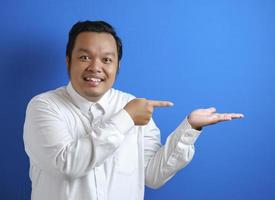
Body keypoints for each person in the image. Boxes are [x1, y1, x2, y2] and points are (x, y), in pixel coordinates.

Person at [23, 20, 244, 200]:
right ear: (68, 61)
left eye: (107, 59)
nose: (95, 67)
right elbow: (66, 165)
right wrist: (126, 118)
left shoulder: (134, 105)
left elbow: (153, 175)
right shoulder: (44, 106)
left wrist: (190, 128)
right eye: (84, 57)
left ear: (117, 66)